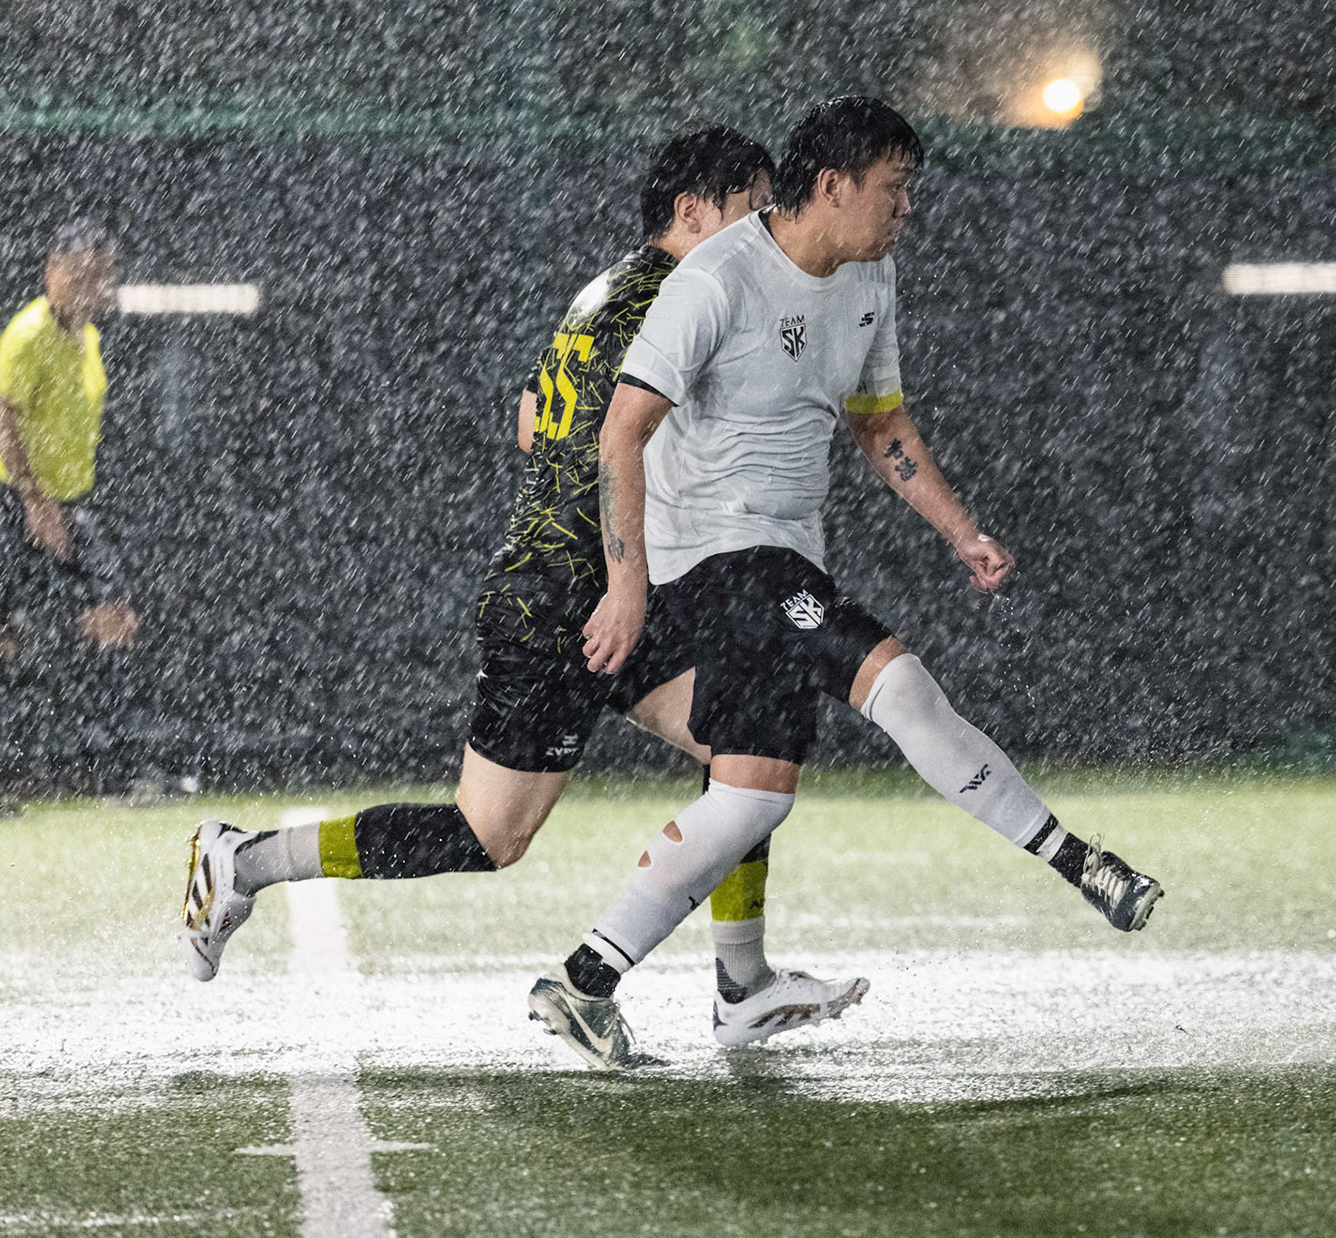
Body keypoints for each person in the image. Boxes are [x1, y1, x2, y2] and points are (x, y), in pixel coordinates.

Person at [181, 128, 869, 1055]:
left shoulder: (610, 291)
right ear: (692, 213)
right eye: (752, 206)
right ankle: (248, 859)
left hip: (603, 589)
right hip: (567, 599)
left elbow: (528, 421)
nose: (766, 228)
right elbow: (600, 442)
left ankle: (741, 983)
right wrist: (625, 573)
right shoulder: (678, 290)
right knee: (488, 835)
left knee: (746, 742)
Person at [526, 95, 1165, 1071]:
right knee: (896, 682)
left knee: (751, 798)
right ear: (833, 185)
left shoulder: (871, 276)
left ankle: (590, 978)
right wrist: (624, 585)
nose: (906, 208)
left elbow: (881, 426)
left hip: (783, 567)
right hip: (714, 565)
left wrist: (963, 531)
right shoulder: (715, 278)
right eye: (894, 189)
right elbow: (621, 431)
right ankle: (1081, 859)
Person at [0, 220, 137, 664]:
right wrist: (34, 500)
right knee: (11, 638)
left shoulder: (87, 338)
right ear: (51, 273)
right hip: (15, 502)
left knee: (113, 619)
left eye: (101, 275)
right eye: (80, 274)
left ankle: (87, 712)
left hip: (67, 501)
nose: (92, 286)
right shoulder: (29, 336)